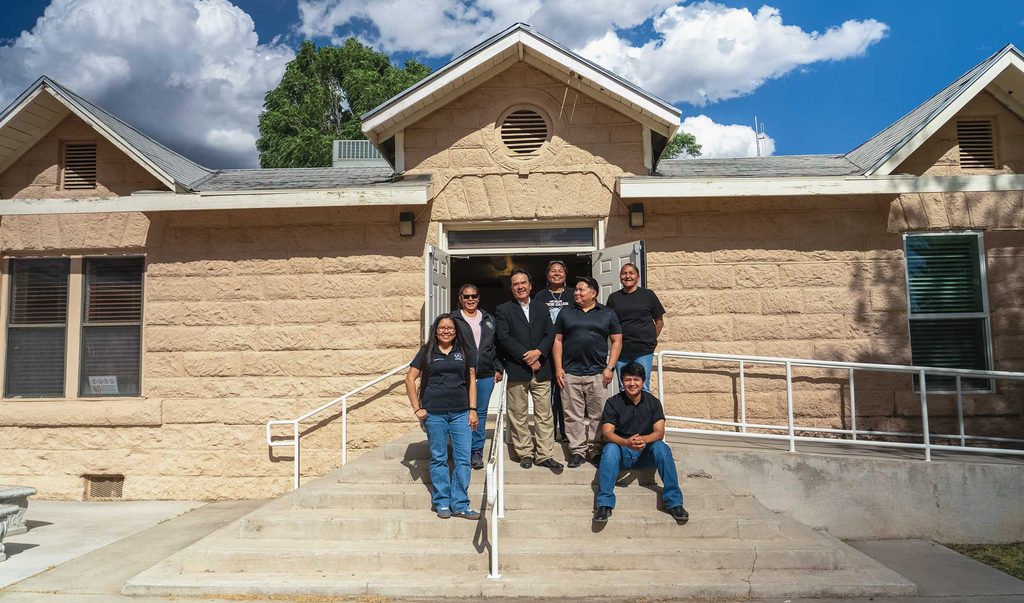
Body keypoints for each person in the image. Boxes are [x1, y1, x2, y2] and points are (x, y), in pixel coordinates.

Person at [405, 315, 480, 520]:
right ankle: (442, 502)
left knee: (463, 458)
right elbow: (410, 378)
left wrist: (473, 409)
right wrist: (417, 408)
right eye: (442, 328)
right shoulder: (427, 351)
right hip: (434, 414)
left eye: (450, 328)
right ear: (435, 330)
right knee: (439, 458)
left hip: (461, 412)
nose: (446, 331)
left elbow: (472, 380)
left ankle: (460, 504)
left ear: (456, 332)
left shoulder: (464, 351)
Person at [593, 362, 687, 524]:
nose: (632, 383)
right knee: (610, 448)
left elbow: (659, 432)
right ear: (622, 381)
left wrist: (643, 440)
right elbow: (607, 433)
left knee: (661, 447)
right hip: (622, 453)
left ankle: (674, 503)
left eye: (636, 379)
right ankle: (604, 504)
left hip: (645, 453)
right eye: (627, 379)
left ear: (643, 381)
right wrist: (626, 442)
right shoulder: (613, 402)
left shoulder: (653, 402)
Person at [494, 269, 563, 471]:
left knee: (544, 415)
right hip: (517, 369)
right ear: (512, 288)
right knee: (518, 414)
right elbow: (504, 338)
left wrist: (539, 352)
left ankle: (545, 455)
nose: (520, 287)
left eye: (523, 282)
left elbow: (550, 334)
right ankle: (525, 452)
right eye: (516, 284)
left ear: (530, 286)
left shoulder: (542, 308)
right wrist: (528, 358)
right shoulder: (503, 310)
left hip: (542, 370)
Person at [553, 275, 622, 468]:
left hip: (597, 373)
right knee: (572, 415)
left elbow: (617, 340)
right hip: (570, 373)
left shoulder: (607, 313)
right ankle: (577, 451)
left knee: (598, 415)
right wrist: (558, 368)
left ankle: (595, 449)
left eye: (581, 289)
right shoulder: (566, 313)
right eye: (576, 289)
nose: (576, 292)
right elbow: (557, 341)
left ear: (593, 293)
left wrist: (610, 367)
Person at [450, 284, 503, 470]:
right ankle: (462, 449)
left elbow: (497, 345)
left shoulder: (489, 319)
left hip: (486, 374)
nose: (470, 299)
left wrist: (498, 367)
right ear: (460, 299)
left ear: (478, 298)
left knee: (480, 413)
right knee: (461, 413)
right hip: (462, 373)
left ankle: (476, 451)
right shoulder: (453, 319)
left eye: (473, 296)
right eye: (466, 296)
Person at [606, 263, 665, 392]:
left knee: (642, 387)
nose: (627, 276)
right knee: (624, 388)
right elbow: (608, 324)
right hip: (621, 352)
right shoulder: (613, 298)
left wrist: (651, 338)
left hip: (643, 350)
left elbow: (659, 321)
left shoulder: (648, 295)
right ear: (620, 277)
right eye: (624, 273)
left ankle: (643, 407)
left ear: (638, 277)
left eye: (631, 273)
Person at [533, 260, 574, 442]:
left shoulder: (572, 294)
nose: (557, 273)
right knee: (547, 396)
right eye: (553, 271)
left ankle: (565, 433)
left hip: (569, 350)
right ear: (547, 274)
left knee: (566, 394)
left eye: (560, 271)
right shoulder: (540, 296)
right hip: (546, 351)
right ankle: (548, 433)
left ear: (565, 274)